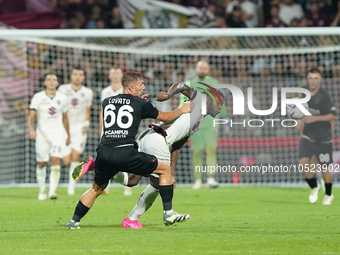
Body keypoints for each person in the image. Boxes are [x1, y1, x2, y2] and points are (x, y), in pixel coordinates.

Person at [72, 81, 224, 228]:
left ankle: (96, 165)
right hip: (158, 141)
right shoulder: (199, 100)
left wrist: (172, 173)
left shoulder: (198, 120)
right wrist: (168, 94)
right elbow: (181, 86)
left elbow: (177, 145)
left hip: (148, 138)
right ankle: (150, 216)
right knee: (158, 183)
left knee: (132, 180)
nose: (220, 109)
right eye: (219, 104)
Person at [179, 60, 228, 190]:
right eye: (201, 67)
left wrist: (225, 116)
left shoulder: (214, 83)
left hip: (211, 121)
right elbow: (183, 102)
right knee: (197, 150)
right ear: (196, 69)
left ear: (208, 69)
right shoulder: (189, 84)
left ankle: (211, 178)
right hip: (195, 121)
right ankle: (198, 180)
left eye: (205, 68)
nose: (202, 70)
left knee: (211, 148)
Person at [28, 74, 70, 200]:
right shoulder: (38, 97)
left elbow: (65, 117)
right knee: (41, 163)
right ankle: (42, 190)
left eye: (55, 80)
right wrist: (31, 129)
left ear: (57, 83)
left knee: (56, 161)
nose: (52, 82)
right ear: (45, 82)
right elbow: (32, 115)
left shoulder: (62, 98)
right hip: (42, 134)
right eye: (49, 80)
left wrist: (68, 135)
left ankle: (52, 191)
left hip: (58, 134)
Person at [299, 68, 337, 205]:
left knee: (325, 167)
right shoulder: (303, 92)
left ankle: (328, 194)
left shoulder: (324, 96)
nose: (313, 81)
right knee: (303, 163)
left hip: (323, 136)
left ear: (320, 80)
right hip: (308, 134)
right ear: (307, 79)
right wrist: (298, 120)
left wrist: (314, 118)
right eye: (311, 78)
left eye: (316, 78)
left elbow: (333, 115)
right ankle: (314, 186)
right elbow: (300, 109)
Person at [58, 67, 93, 196]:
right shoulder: (62, 89)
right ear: (71, 76)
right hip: (64, 128)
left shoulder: (88, 92)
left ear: (83, 77)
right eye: (75, 74)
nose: (77, 76)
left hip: (79, 128)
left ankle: (71, 187)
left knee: (75, 156)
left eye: (80, 74)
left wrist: (86, 124)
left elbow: (88, 112)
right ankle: (75, 171)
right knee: (66, 161)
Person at [99, 66, 132, 196]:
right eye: (113, 73)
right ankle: (104, 185)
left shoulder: (126, 91)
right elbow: (103, 111)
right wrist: (101, 128)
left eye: (118, 73)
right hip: (108, 129)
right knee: (106, 157)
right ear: (109, 75)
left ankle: (128, 185)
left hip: (123, 128)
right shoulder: (105, 91)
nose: (115, 75)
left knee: (124, 156)